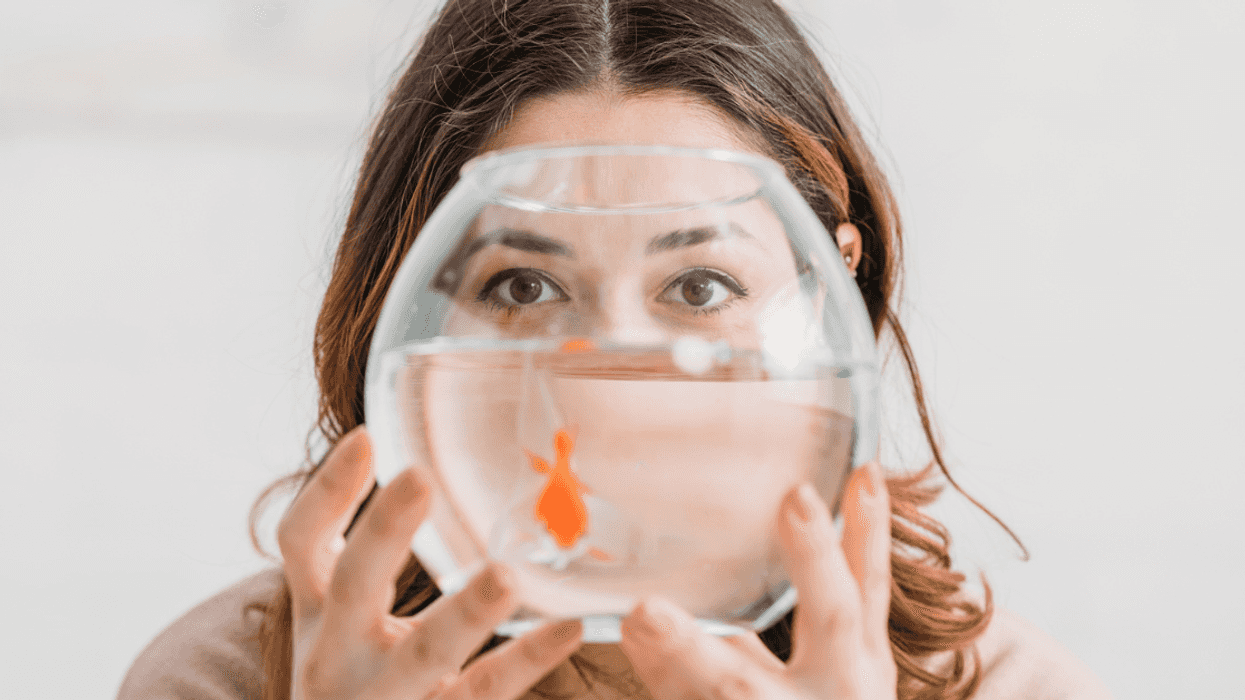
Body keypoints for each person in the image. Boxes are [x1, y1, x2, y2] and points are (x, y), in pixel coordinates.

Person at [118, 1, 1113, 698]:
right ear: (408, 304)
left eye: (700, 287)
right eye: (522, 286)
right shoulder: (229, 683)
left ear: (833, 294)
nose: (612, 376)